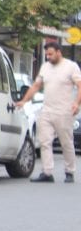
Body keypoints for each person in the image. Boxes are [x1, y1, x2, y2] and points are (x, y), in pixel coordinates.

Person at [16, 41, 81, 183]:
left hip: (64, 111)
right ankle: (47, 172)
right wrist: (24, 101)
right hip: (47, 110)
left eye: (51, 54)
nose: (48, 57)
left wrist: (76, 103)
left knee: (66, 142)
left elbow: (80, 85)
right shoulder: (45, 67)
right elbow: (36, 86)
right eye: (47, 54)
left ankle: (69, 171)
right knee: (44, 141)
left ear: (58, 52)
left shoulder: (71, 67)